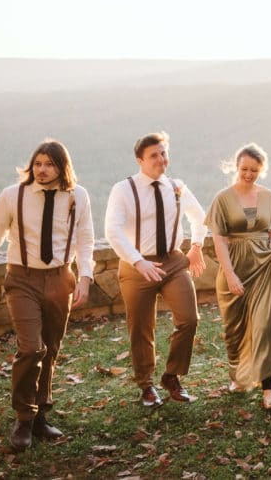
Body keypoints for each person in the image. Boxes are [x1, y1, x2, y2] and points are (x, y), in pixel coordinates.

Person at [0, 140, 95, 450]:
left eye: (49, 164)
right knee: (31, 348)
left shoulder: (78, 197)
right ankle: (23, 419)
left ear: (61, 167)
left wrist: (85, 277)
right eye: (37, 163)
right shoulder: (12, 196)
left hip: (59, 279)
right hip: (22, 279)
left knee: (50, 349)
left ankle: (40, 416)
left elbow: (86, 240)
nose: (42, 169)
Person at [105, 132, 207, 407]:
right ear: (140, 160)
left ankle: (171, 375)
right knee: (141, 328)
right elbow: (112, 230)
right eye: (154, 155)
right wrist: (138, 260)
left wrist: (196, 245)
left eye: (163, 153)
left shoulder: (177, 187)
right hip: (136, 264)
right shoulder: (123, 189)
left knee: (189, 319)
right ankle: (146, 385)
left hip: (173, 261)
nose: (161, 159)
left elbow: (201, 218)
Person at [207, 144, 271, 409]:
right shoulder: (222, 199)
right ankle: (237, 377)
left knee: (265, 327)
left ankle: (268, 393)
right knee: (234, 330)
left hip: (265, 269)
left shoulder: (268, 197)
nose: (249, 174)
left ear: (262, 170)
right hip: (235, 269)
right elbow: (220, 241)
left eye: (254, 170)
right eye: (244, 169)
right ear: (235, 167)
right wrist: (230, 275)